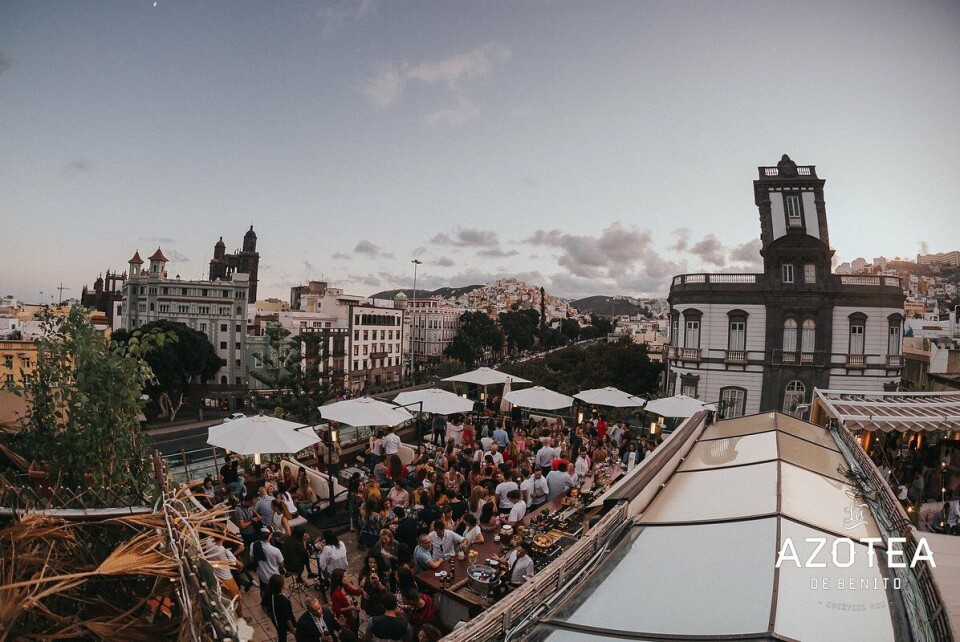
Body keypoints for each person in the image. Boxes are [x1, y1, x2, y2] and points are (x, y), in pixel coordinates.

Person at [203, 535, 244, 616]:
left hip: (216, 575)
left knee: (224, 597)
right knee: (236, 599)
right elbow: (240, 565)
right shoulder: (223, 551)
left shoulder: (208, 542)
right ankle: (240, 617)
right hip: (227, 578)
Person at [252, 528, 285, 606]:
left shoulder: (253, 545)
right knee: (276, 591)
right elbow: (281, 564)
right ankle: (274, 604)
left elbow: (251, 559)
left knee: (263, 589)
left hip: (262, 573)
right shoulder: (275, 550)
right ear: (269, 536)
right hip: (274, 575)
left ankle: (264, 603)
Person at [265, 574, 297, 642]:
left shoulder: (269, 593)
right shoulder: (284, 601)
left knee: (282, 636)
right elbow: (287, 618)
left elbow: (265, 605)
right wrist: (292, 629)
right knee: (299, 632)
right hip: (285, 622)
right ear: (282, 586)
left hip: (276, 620)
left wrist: (269, 614)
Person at [329, 568, 362, 633]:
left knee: (356, 627)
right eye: (345, 576)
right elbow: (336, 610)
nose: (347, 578)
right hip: (346, 618)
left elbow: (356, 592)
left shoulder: (345, 586)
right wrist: (351, 607)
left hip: (353, 613)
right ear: (339, 578)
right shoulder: (335, 594)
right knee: (351, 631)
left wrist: (360, 586)